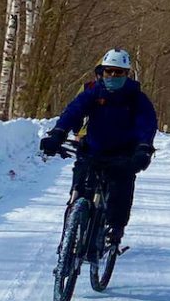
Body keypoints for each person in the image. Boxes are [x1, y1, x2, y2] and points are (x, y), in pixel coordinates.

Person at [40, 48, 157, 252]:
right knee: (78, 191)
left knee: (120, 191)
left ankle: (115, 231)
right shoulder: (94, 92)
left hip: (123, 154)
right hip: (92, 150)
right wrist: (58, 132)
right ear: (101, 71)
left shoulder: (136, 98)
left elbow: (146, 124)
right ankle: (69, 238)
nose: (112, 76)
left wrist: (144, 148)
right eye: (108, 71)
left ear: (126, 74)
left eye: (118, 72)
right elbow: (74, 111)